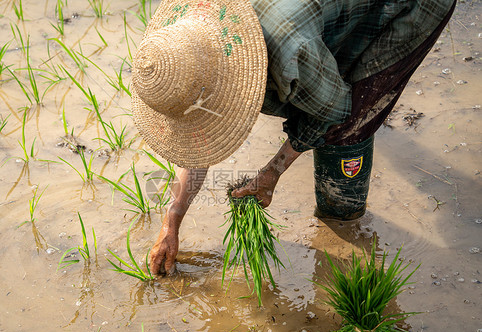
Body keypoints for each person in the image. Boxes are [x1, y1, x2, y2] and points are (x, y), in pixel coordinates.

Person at [131, 0, 456, 275]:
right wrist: (172, 220)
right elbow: (199, 139)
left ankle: (342, 224)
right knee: (319, 89)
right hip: (321, 19)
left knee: (347, 125)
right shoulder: (198, 27)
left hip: (411, 8)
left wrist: (272, 173)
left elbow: (334, 110)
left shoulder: (288, 50)